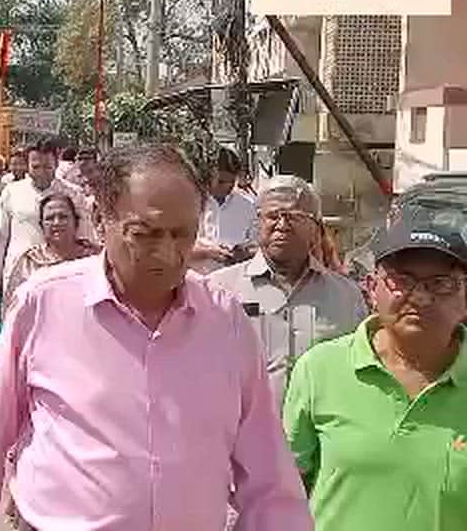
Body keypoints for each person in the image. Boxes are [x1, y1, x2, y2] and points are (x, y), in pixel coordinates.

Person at [0, 144, 312, 531]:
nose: (168, 253)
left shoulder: (226, 322)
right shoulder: (43, 304)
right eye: (145, 234)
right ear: (100, 217)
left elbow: (268, 476)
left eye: (182, 235)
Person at [283, 219, 467, 531]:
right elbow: (284, 490)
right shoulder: (321, 369)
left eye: (441, 283)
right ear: (371, 288)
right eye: (401, 280)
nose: (420, 297)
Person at [208, 175, 367, 407]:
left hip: (318, 437)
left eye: (294, 217)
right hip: (242, 435)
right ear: (258, 223)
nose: (282, 225)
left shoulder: (346, 297)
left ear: (315, 228)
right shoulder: (219, 290)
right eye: (272, 216)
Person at [0, 138, 90, 319]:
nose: (41, 173)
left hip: (61, 275)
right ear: (27, 166)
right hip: (19, 275)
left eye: (47, 167)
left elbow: (85, 238)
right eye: (36, 167)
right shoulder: (12, 192)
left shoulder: (73, 194)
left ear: (56, 164)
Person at [6, 192, 101, 296]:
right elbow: (14, 304)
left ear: (76, 221)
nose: (56, 222)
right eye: (49, 218)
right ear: (41, 225)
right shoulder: (30, 262)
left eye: (63, 217)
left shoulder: (95, 257)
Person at [191, 148, 258, 274]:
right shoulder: (190, 202)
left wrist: (243, 252)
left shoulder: (248, 206)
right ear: (208, 175)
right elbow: (175, 248)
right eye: (221, 181)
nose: (227, 186)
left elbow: (258, 245)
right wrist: (208, 252)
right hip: (195, 282)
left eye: (231, 182)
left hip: (234, 282)